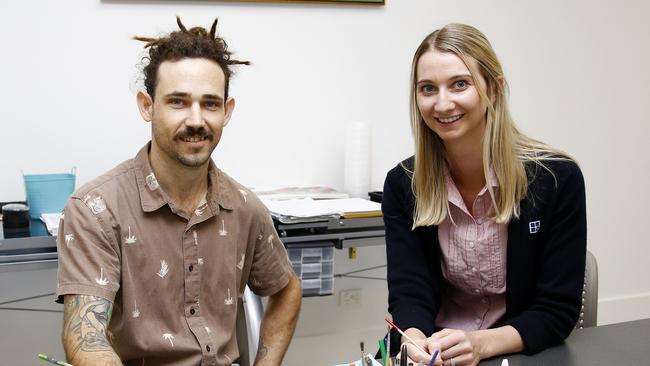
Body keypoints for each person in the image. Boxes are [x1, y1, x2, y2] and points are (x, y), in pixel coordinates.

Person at [56, 17, 302, 366]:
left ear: (227, 112)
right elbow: (86, 339)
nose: (197, 120)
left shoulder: (245, 208)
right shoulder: (96, 209)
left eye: (211, 104)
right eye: (178, 102)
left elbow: (286, 289)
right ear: (147, 105)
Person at [382, 23, 586, 366]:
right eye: (428, 88)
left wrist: (479, 345)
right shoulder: (403, 184)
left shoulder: (557, 179)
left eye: (460, 84)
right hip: (436, 353)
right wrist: (413, 340)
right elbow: (409, 293)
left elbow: (556, 310)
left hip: (515, 351)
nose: (442, 103)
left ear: (493, 88)